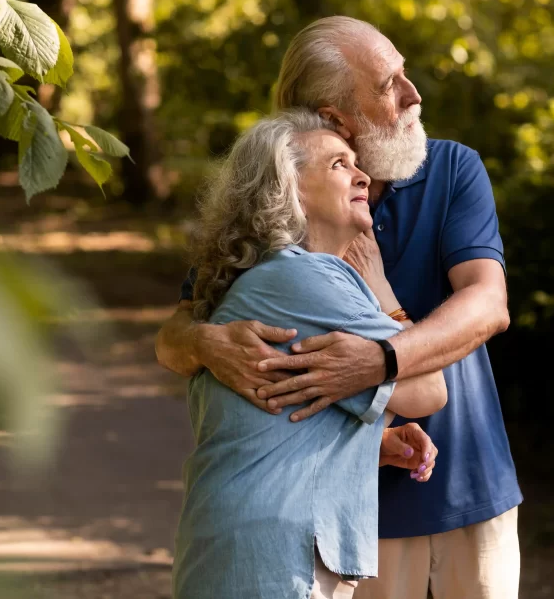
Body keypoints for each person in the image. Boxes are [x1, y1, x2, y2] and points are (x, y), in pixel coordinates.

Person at [157, 16, 521, 599]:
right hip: (346, 510)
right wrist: (202, 343)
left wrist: (379, 361)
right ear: (333, 118)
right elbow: (182, 329)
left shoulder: (451, 169)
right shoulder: (276, 218)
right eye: (388, 83)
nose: (413, 94)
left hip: (467, 481)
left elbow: (488, 304)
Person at [173, 110, 447, 599]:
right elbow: (429, 389)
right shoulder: (307, 278)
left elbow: (273, 426)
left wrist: (367, 443)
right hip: (275, 562)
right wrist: (384, 293)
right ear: (289, 187)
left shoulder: (266, 280)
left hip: (247, 553)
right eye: (340, 164)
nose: (364, 174)